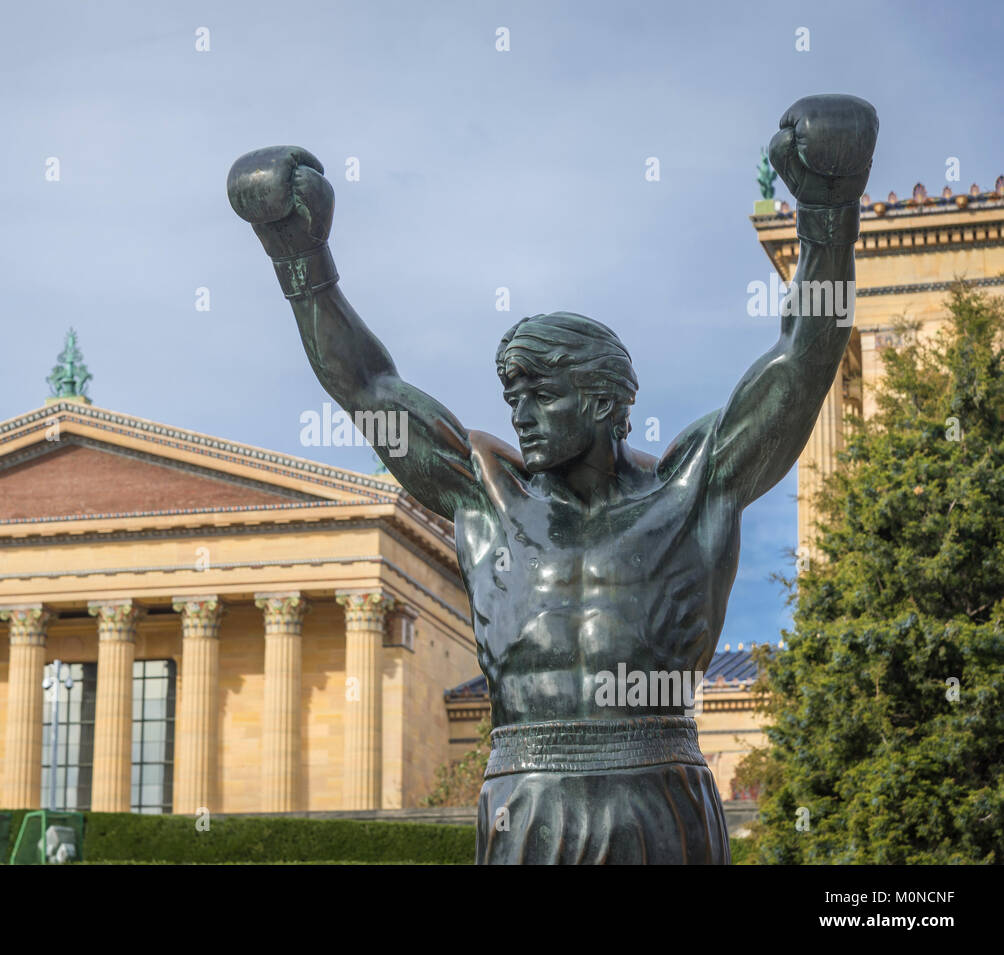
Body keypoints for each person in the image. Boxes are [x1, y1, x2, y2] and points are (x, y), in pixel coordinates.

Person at [227, 94, 878, 863]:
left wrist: (829, 216)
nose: (521, 414)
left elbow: (803, 364)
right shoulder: (486, 499)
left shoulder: (693, 490)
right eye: (513, 397)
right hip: (526, 803)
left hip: (660, 802)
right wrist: (298, 258)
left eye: (541, 394)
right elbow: (369, 387)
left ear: (603, 400)